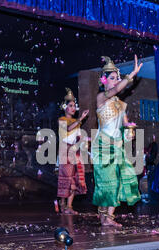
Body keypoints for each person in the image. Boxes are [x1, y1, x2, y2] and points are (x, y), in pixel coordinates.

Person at [91, 55, 142, 227]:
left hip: (117, 146)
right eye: (112, 78)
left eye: (117, 78)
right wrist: (132, 74)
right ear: (104, 80)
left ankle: (109, 218)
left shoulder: (121, 104)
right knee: (107, 182)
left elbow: (126, 123)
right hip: (103, 146)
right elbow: (114, 91)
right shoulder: (101, 97)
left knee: (119, 181)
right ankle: (104, 214)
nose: (116, 81)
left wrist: (130, 132)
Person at [57, 88, 89, 214]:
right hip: (65, 152)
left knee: (75, 180)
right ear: (65, 107)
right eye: (70, 106)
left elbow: (77, 136)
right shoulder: (62, 120)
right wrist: (80, 118)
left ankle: (69, 206)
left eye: (74, 106)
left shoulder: (77, 123)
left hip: (75, 152)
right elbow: (68, 129)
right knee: (66, 179)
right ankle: (63, 203)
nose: (73, 108)